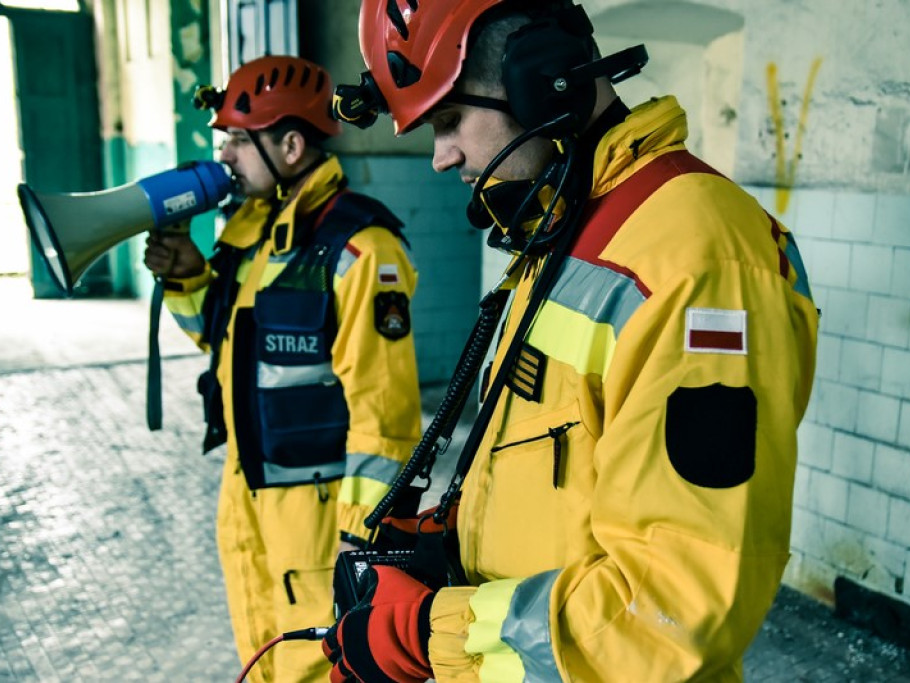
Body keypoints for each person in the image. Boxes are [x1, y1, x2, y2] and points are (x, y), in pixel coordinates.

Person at [323, 1, 819, 681]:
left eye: (445, 121)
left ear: (542, 80)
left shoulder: (696, 260)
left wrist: (426, 633)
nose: (440, 158)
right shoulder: (573, 228)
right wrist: (455, 533)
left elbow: (673, 604)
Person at [142, 55, 421, 683]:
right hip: (247, 492)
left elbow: (386, 418)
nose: (226, 158)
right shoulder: (249, 235)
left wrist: (361, 537)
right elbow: (222, 349)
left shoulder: (360, 249)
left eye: (239, 140)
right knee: (266, 655)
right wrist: (188, 275)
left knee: (317, 663)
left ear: (291, 145)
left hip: (319, 518)